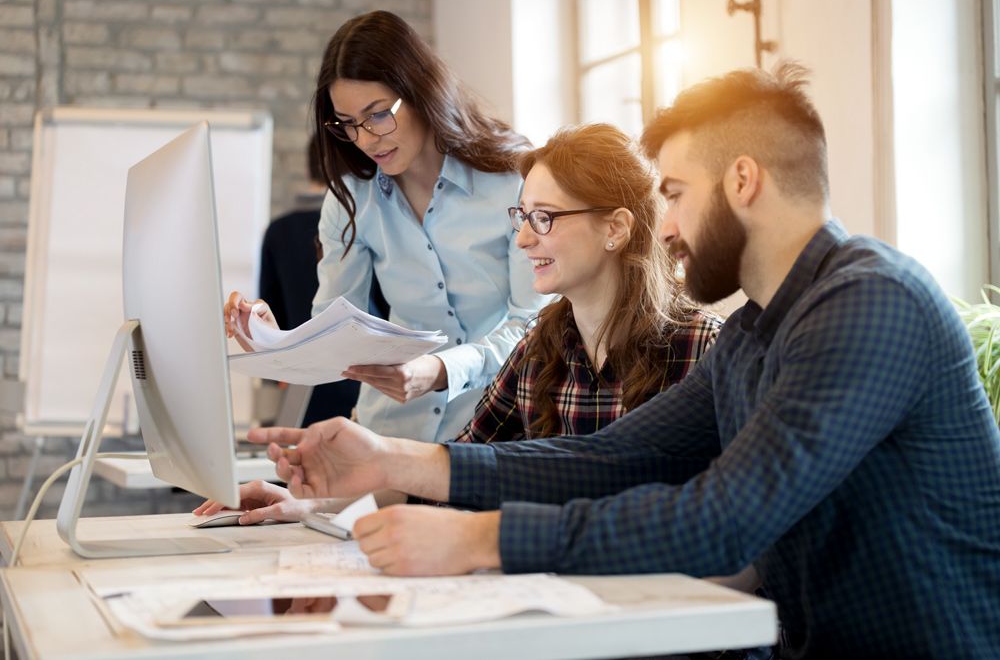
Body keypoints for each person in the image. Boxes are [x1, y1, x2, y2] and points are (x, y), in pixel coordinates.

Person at [250, 63, 1000, 658]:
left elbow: (725, 520)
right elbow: (616, 455)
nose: (664, 225)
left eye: (674, 193)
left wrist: (481, 539)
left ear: (743, 180)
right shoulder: (757, 329)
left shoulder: (870, 303)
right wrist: (395, 461)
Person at [195, 123, 722, 523]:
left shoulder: (700, 347)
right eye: (522, 217)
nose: (521, 240)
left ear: (616, 228)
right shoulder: (541, 347)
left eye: (545, 218)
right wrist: (312, 506)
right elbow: (456, 472)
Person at [225, 10, 548, 444]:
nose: (366, 138)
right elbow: (337, 330)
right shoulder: (351, 198)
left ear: (420, 91)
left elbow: (533, 322)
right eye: (348, 123)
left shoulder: (513, 178)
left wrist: (441, 369)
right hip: (393, 434)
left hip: (497, 429)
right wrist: (272, 339)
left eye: (377, 114)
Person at [258, 133, 389, 426]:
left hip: (303, 388)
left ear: (308, 169)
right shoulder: (364, 223)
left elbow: (271, 316)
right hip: (367, 381)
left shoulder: (279, 232)